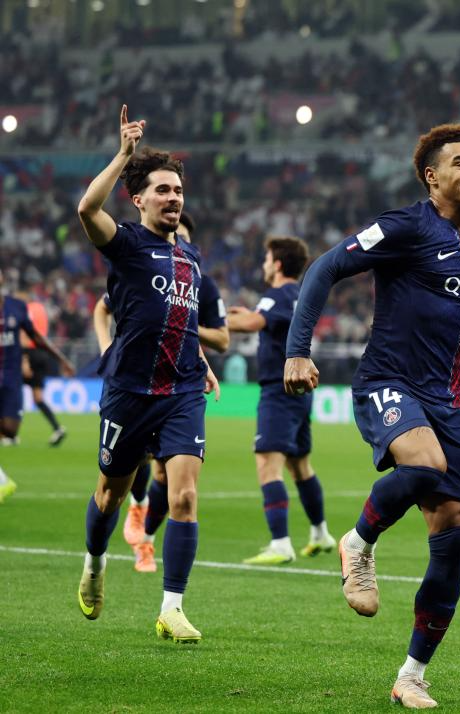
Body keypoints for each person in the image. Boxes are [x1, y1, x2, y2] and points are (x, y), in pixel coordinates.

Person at [284, 123, 460, 709]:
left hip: (453, 398)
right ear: (432, 177)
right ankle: (358, 542)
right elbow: (325, 267)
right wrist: (297, 350)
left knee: (453, 529)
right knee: (426, 465)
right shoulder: (405, 227)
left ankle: (412, 674)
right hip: (391, 382)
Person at [75, 105, 219, 644]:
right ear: (139, 199)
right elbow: (87, 208)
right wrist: (123, 155)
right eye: (162, 190)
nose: (173, 197)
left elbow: (181, 319)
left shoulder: (193, 257)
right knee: (110, 496)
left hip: (182, 391)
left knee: (183, 497)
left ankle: (172, 608)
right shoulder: (128, 245)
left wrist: (203, 364)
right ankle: (94, 564)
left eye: (178, 190)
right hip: (129, 392)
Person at [93, 210, 230, 573]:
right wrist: (106, 347)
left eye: (182, 238)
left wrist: (189, 335)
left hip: (179, 385)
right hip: (132, 382)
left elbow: (221, 338)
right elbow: (102, 308)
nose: (175, 243)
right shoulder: (139, 263)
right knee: (131, 471)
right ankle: (136, 507)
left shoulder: (199, 278)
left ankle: (146, 541)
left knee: (172, 481)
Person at [227, 235, 333, 565]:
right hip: (298, 391)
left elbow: (251, 323)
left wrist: (206, 319)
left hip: (278, 390)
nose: (263, 264)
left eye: (266, 258)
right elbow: (264, 318)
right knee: (299, 466)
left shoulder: (277, 294)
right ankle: (320, 533)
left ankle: (280, 544)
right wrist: (254, 312)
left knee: (267, 464)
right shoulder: (297, 295)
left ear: (277, 264)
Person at [0, 269, 75, 500]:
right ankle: (2, 480)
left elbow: (34, 336)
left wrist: (60, 359)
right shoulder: (27, 305)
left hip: (13, 374)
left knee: (10, 429)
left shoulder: (16, 307)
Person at [19, 295, 69, 446]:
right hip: (42, 355)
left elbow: (24, 334)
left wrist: (24, 360)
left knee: (10, 391)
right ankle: (57, 428)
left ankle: (9, 432)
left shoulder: (25, 309)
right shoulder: (41, 309)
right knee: (38, 398)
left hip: (29, 354)